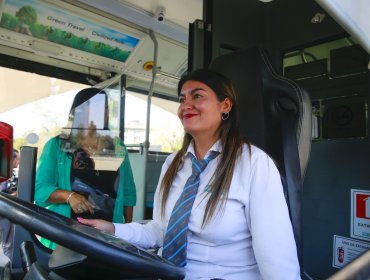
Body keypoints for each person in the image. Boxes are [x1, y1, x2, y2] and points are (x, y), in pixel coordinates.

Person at [78, 69, 301, 279]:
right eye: (182, 99)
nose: (186, 105)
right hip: (166, 273)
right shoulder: (173, 163)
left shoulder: (254, 164)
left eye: (197, 96)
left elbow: (275, 251)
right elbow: (160, 230)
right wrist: (112, 229)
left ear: (225, 105)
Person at [35, 87, 136, 249]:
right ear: (79, 111)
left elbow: (129, 192)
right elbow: (39, 190)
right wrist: (69, 196)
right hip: (66, 237)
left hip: (107, 239)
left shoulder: (117, 146)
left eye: (104, 108)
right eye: (94, 106)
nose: (102, 112)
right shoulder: (57, 145)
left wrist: (127, 232)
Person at [0, 148, 20, 260]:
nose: (19, 161)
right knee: (8, 245)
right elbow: (2, 198)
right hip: (4, 213)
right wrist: (18, 193)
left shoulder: (9, 175)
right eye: (18, 158)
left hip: (6, 213)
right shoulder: (3, 176)